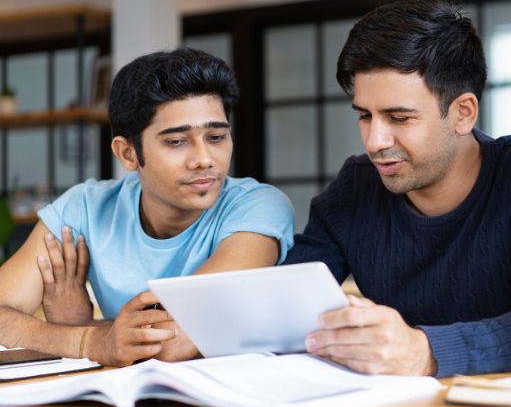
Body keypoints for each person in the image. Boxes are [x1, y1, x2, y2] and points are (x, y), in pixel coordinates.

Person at [285, 0, 511, 377]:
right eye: (365, 116)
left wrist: (425, 352)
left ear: (463, 113)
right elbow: (287, 303)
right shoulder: (356, 185)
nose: (375, 140)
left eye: (399, 117)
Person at [0, 48, 294, 367]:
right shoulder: (84, 207)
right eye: (176, 142)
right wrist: (87, 340)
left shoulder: (259, 207)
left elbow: (172, 340)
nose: (205, 159)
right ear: (127, 153)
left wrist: (76, 330)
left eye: (216, 136)